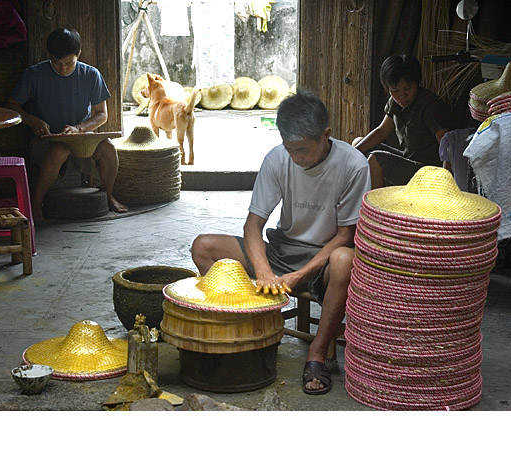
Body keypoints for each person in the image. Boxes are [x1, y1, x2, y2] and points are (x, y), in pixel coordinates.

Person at [191, 89, 371, 395]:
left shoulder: (354, 165)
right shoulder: (278, 159)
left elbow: (345, 235)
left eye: (303, 150)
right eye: (290, 149)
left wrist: (299, 275)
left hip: (322, 259)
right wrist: (264, 272)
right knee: (204, 247)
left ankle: (317, 352)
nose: (296, 158)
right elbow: (253, 226)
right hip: (282, 249)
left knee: (346, 259)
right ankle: (240, 329)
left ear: (325, 135)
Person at [6, 28, 128, 220]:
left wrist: (79, 128)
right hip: (46, 139)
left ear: (78, 54)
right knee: (60, 149)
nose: (63, 68)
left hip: (80, 138)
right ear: (49, 56)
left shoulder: (91, 75)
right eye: (57, 62)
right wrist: (32, 120)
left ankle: (108, 196)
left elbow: (102, 114)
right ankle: (36, 203)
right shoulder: (34, 74)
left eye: (69, 63)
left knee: (109, 149)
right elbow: (12, 105)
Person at [353, 54, 452, 189]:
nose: (402, 95)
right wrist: (352, 152)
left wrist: (445, 182)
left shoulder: (430, 106)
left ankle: (371, 208)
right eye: (395, 90)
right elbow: (381, 132)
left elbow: (447, 146)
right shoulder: (395, 103)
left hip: (428, 172)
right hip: (409, 160)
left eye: (408, 88)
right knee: (358, 143)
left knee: (377, 160)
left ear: (417, 83)